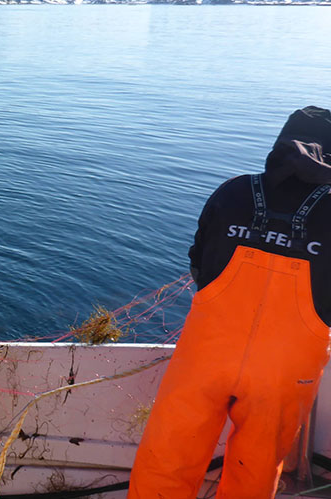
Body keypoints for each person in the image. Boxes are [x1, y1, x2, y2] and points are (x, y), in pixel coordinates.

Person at [128, 107, 331, 498]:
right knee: (253, 470)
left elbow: (198, 261)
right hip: (286, 368)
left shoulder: (235, 191)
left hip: (206, 355)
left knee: (167, 458)